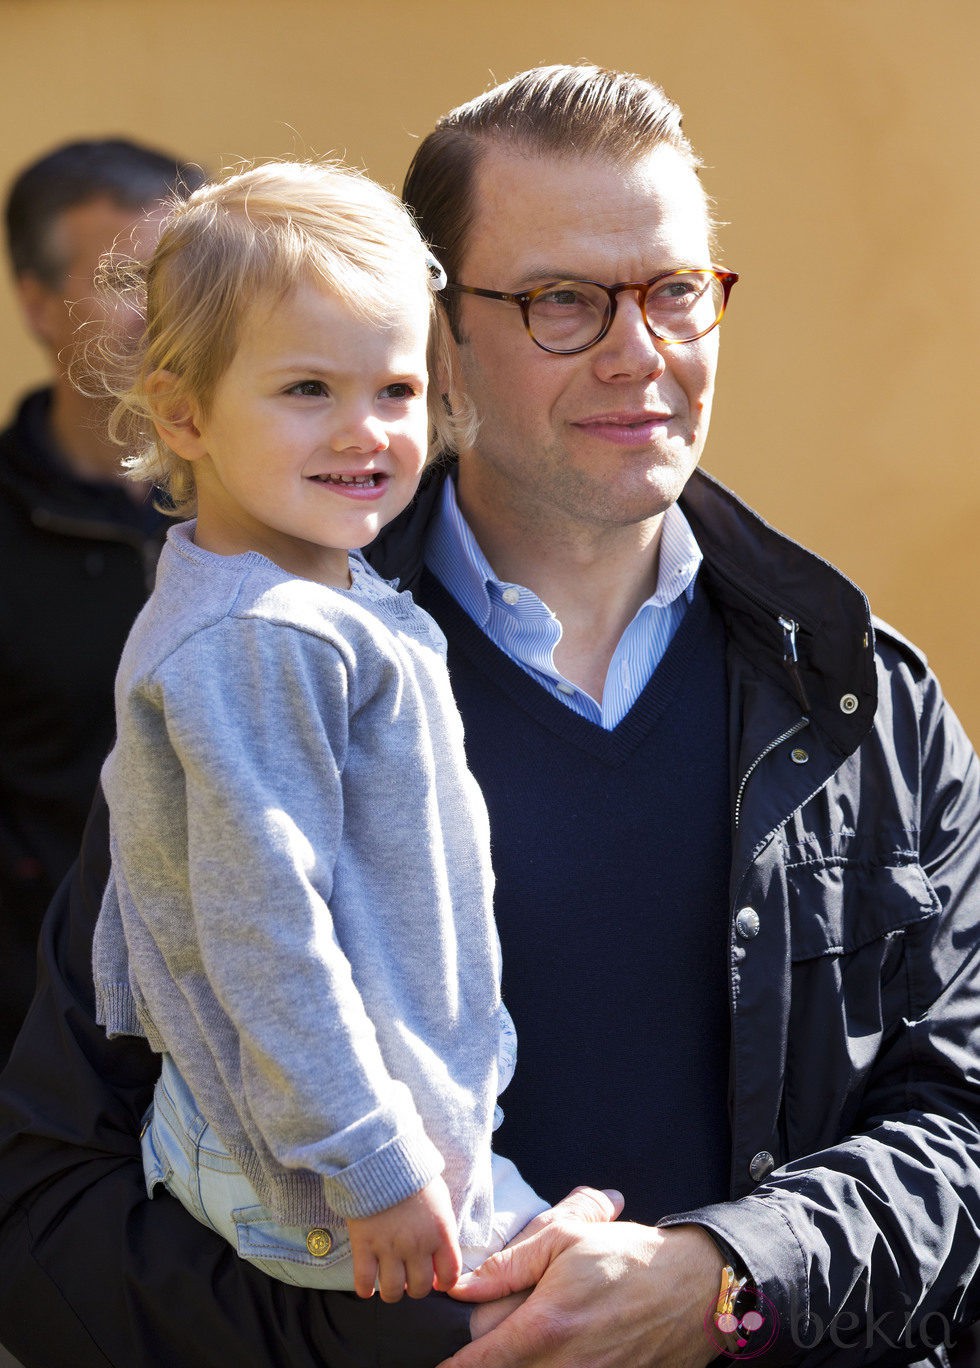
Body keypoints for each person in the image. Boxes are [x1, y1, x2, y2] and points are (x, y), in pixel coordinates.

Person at [1, 62, 979, 1368]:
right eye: (565, 301)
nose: (643, 351)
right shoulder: (258, 677)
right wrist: (420, 1346)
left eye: (678, 291)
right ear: (439, 338)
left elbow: (963, 1133)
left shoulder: (863, 696)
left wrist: (726, 1279)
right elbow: (46, 1198)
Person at [89, 157, 547, 1305]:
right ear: (183, 412)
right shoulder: (263, 636)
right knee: (569, 1320)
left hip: (335, 1138)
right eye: (306, 390)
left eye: (395, 390)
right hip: (322, 1176)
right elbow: (262, 926)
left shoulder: (270, 593)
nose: (364, 432)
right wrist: (370, 1165)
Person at [0, 139, 205, 1067]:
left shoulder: (306, 506)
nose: (167, 312)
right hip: (44, 1049)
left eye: (190, 273)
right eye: (129, 278)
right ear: (37, 303)